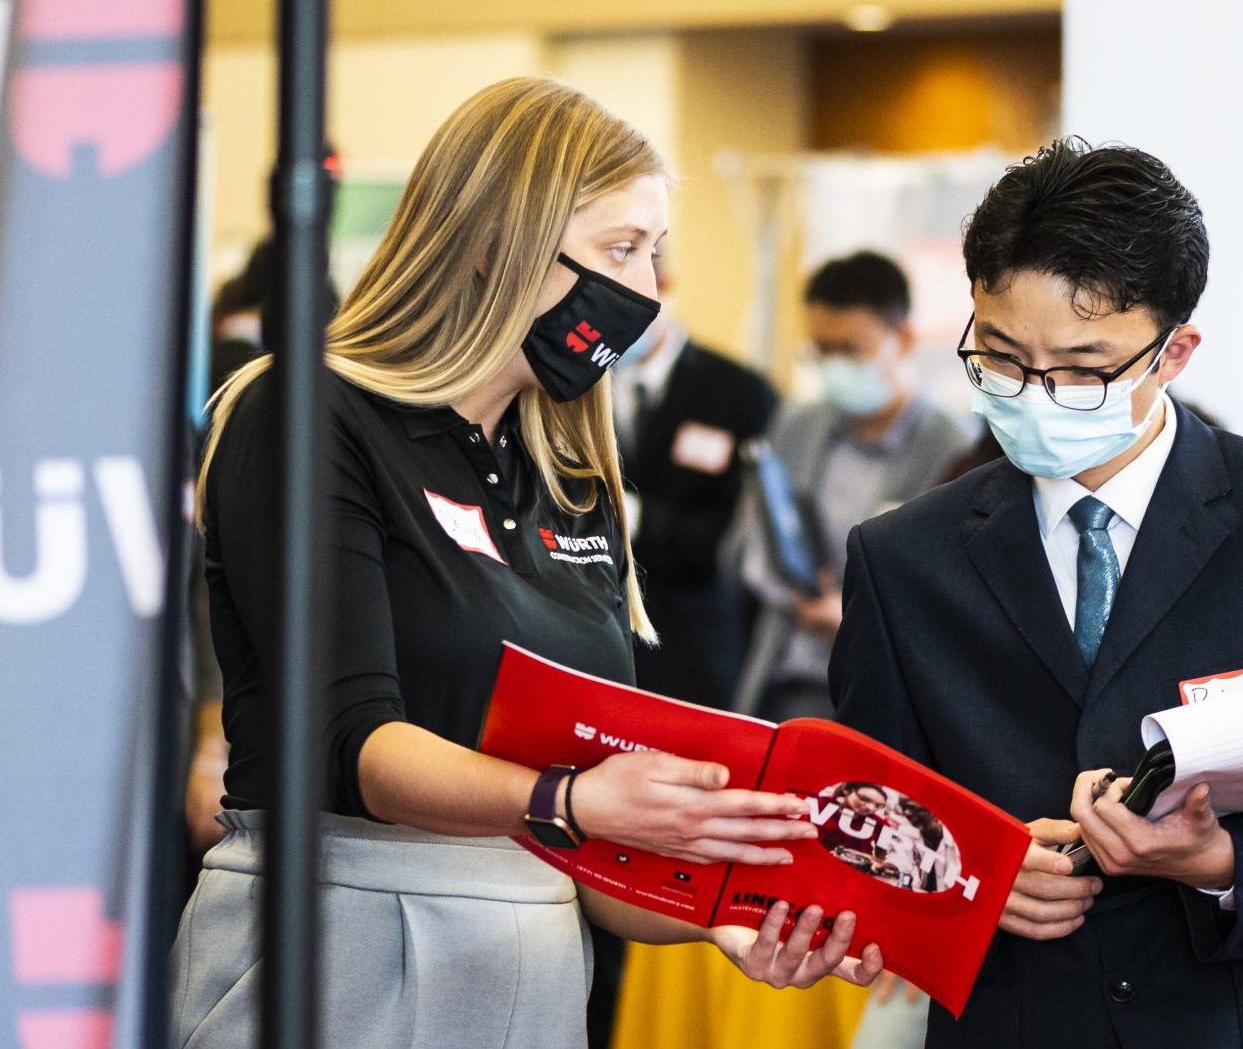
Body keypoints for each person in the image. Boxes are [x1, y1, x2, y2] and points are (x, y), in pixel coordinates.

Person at [170, 78, 880, 1049]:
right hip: (337, 938)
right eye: (618, 250)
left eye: (653, 253)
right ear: (494, 242)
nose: (642, 290)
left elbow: (592, 860)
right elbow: (356, 742)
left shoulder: (570, 473)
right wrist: (569, 799)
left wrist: (731, 907)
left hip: (529, 963)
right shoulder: (308, 414)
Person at [829, 138, 1243, 1047]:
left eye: (1081, 368)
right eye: (1000, 357)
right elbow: (866, 832)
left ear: (1175, 351)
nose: (1034, 394)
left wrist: (1220, 860)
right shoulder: (903, 558)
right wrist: (973, 882)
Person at [731, 251, 971, 721]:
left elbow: (955, 594)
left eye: (852, 350)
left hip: (891, 690)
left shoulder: (955, 450)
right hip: (786, 676)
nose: (835, 366)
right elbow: (751, 538)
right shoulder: (798, 424)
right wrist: (796, 592)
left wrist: (854, 621)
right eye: (822, 350)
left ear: (903, 339)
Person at [613, 252, 778, 709]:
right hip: (602, 623)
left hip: (694, 633)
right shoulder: (576, 387)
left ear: (664, 286)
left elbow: (737, 533)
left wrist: (641, 518)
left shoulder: (737, 391)